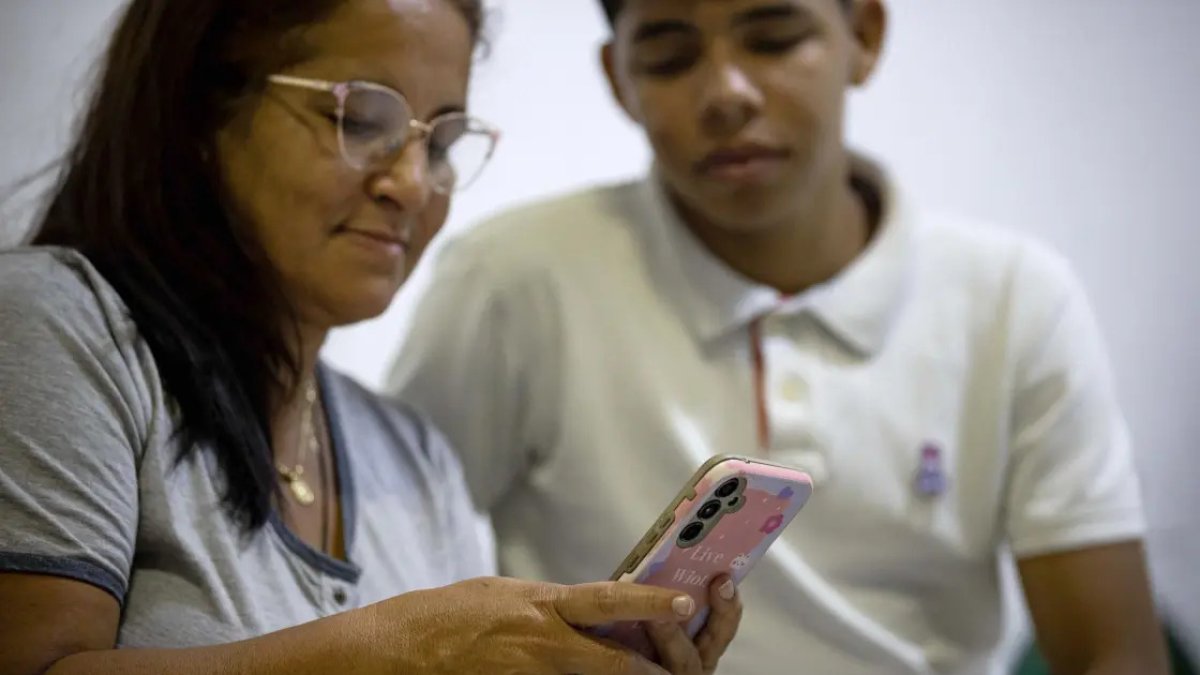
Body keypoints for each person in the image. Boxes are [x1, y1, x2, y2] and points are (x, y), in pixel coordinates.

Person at [384, 0, 1172, 673]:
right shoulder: (512, 281)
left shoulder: (1014, 298)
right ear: (617, 78)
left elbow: (1114, 651)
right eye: (668, 54)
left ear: (863, 33)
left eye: (773, 38)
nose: (726, 91)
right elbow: (391, 590)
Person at [0, 1, 745, 674]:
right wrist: (401, 649)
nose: (412, 183)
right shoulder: (56, 325)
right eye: (361, 120)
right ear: (199, 111)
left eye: (443, 139)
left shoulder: (418, 462)